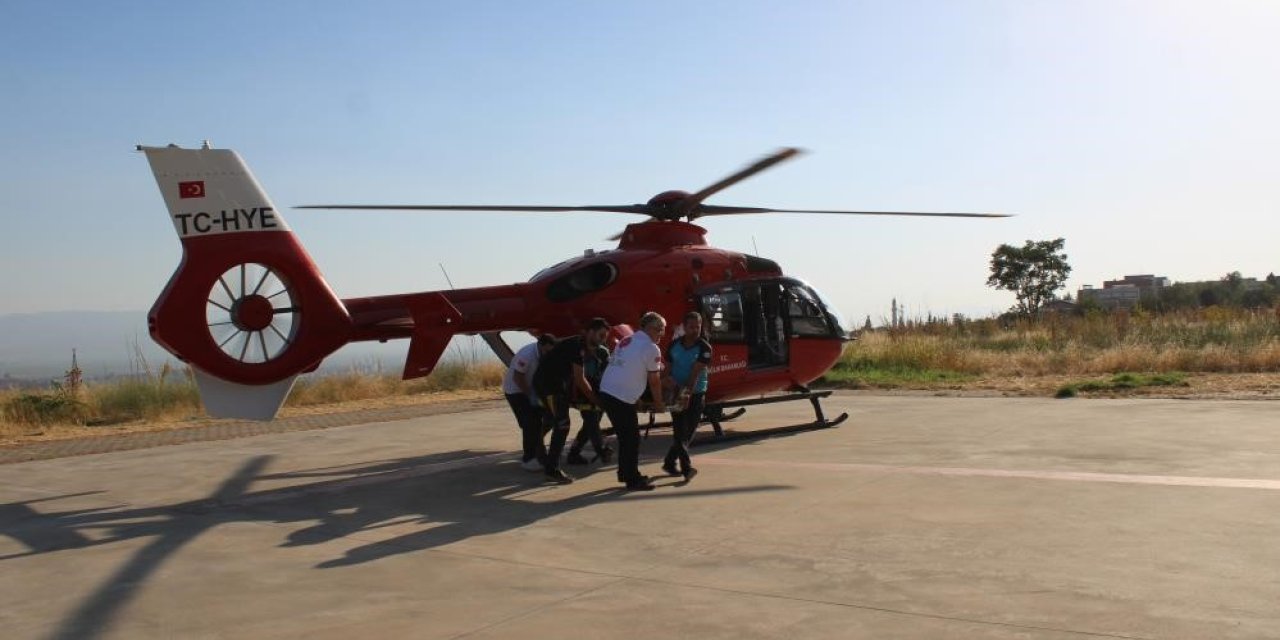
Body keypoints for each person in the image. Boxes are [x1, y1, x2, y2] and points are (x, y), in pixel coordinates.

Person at [532, 318, 610, 484]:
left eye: (605, 337)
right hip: (548, 386)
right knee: (562, 425)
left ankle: (541, 455)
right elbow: (580, 379)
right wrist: (598, 401)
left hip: (559, 386)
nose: (603, 340)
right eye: (601, 335)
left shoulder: (582, 347)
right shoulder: (576, 347)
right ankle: (551, 469)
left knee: (554, 422)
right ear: (590, 332)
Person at [598, 312, 667, 491]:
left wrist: (635, 399)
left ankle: (626, 473)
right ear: (650, 329)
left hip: (607, 392)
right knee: (631, 439)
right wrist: (659, 403)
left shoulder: (627, 340)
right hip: (619, 397)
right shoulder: (651, 348)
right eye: (660, 330)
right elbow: (654, 380)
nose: (662, 334)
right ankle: (632, 479)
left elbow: (628, 370)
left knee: (626, 437)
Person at [661, 311, 712, 481]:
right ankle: (686, 468)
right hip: (676, 392)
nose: (695, 330)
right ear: (684, 327)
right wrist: (665, 384)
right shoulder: (674, 344)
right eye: (691, 327)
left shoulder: (705, 348)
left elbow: (695, 374)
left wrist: (687, 393)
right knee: (679, 430)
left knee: (688, 432)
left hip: (695, 392)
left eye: (698, 327)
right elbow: (667, 368)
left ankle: (669, 462)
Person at [502, 334, 556, 471]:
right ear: (540, 345)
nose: (549, 354)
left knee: (550, 417)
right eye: (547, 351)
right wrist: (531, 396)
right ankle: (529, 459)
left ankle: (538, 446)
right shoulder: (527, 354)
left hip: (533, 389)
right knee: (530, 423)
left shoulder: (548, 354)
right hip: (515, 391)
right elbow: (518, 377)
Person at [566, 335, 613, 466]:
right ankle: (601, 450)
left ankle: (574, 453)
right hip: (582, 392)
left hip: (599, 390)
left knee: (590, 425)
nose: (602, 338)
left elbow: (607, 371)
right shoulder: (579, 352)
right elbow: (577, 377)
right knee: (592, 422)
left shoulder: (603, 352)